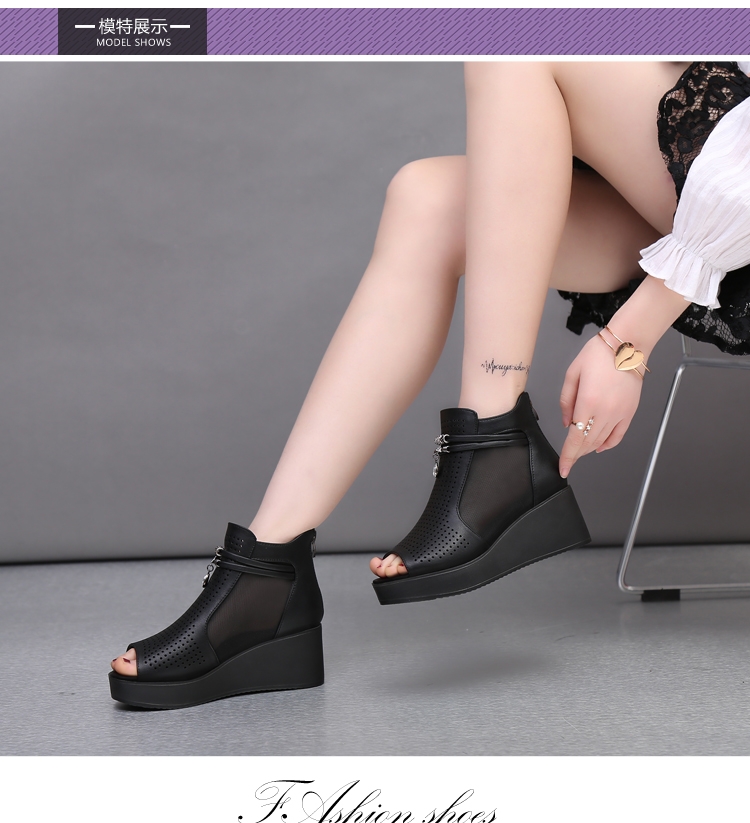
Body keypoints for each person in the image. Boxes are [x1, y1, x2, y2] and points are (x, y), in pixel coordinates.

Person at [109, 61, 750, 708]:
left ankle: (494, 445)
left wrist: (627, 342)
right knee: (428, 201)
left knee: (519, 36)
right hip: (709, 198)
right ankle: (266, 578)